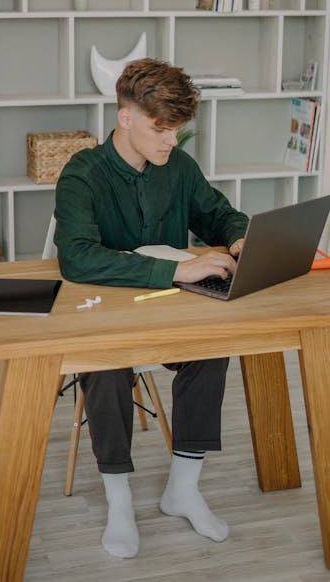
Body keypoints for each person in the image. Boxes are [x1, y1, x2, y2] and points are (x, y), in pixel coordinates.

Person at [54, 57, 249, 559]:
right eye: (161, 129)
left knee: (214, 347)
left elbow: (219, 214)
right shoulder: (83, 173)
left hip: (170, 317)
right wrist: (176, 270)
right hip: (105, 317)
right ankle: (119, 502)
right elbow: (76, 258)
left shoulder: (178, 167)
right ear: (125, 118)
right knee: (105, 364)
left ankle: (182, 489)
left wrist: (239, 238)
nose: (170, 141)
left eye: (177, 130)